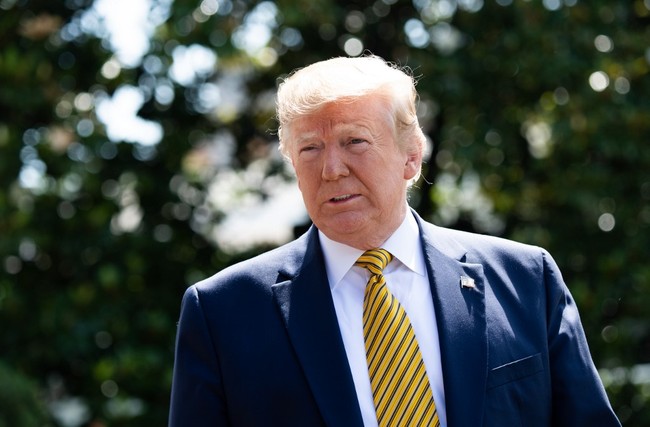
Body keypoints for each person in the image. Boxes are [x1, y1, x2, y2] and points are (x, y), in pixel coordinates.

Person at [168, 55, 620, 427]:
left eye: (354, 141)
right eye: (309, 148)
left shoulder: (525, 278)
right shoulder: (223, 312)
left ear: (411, 157)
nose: (331, 169)